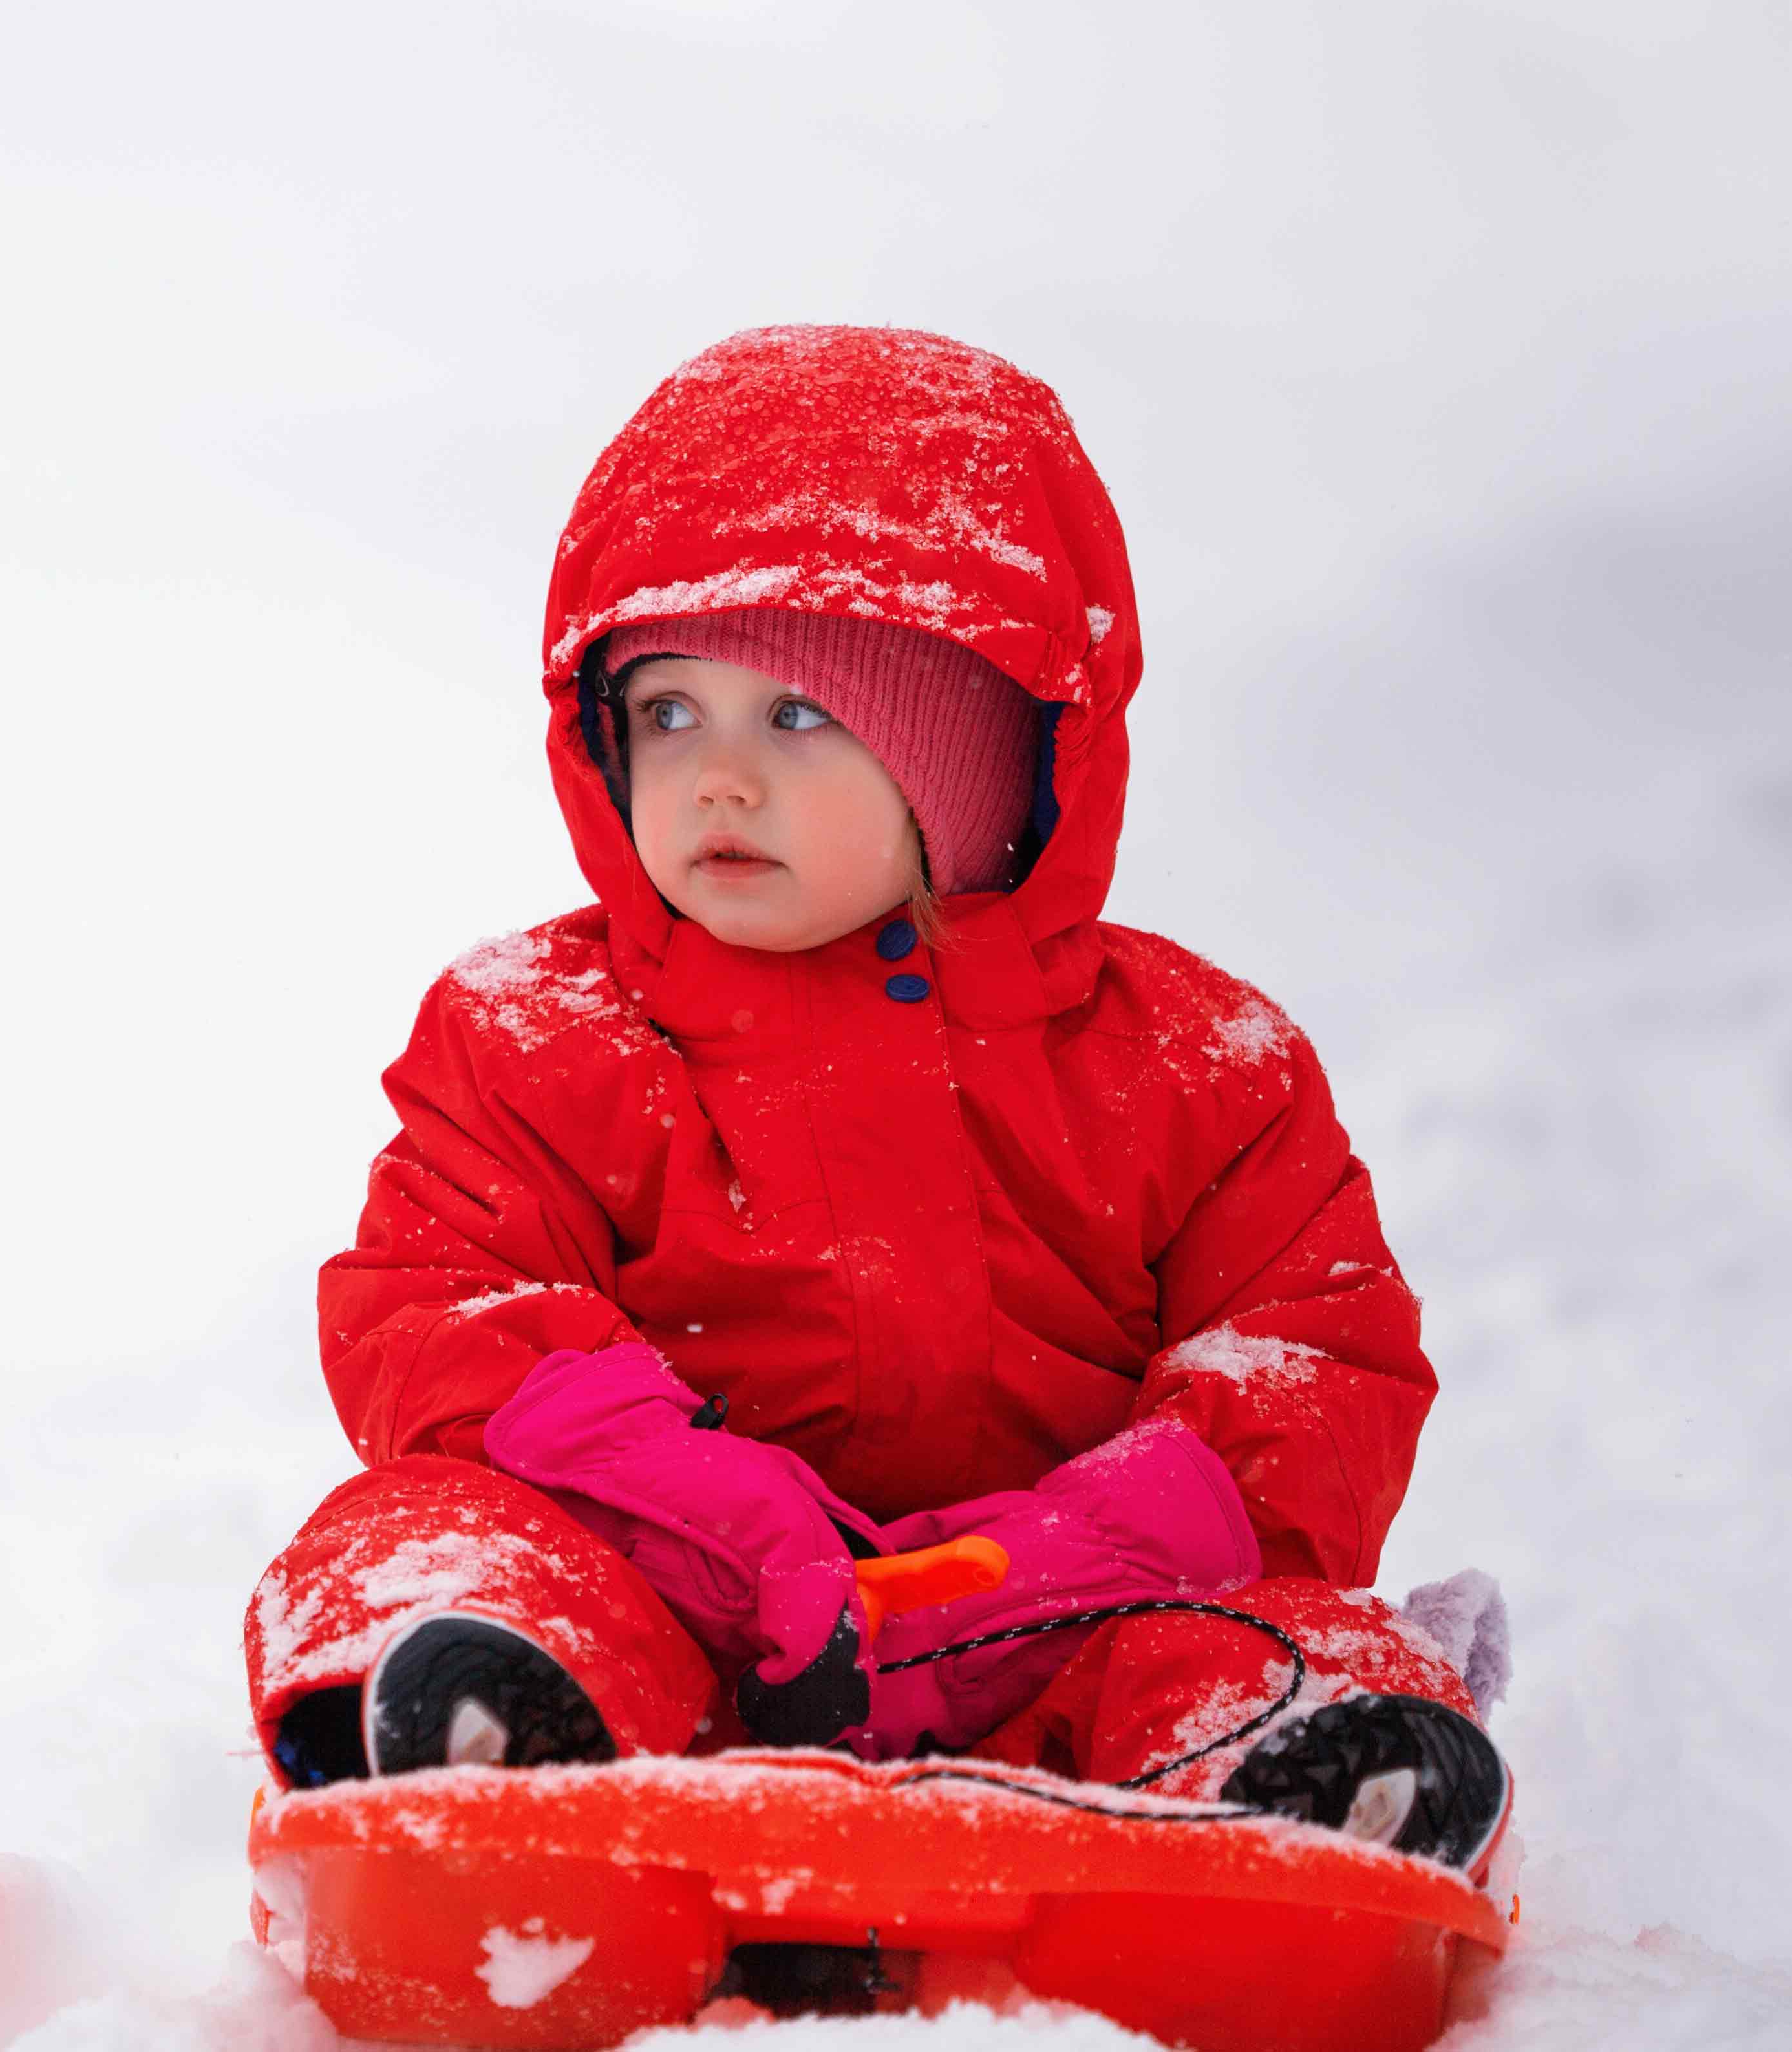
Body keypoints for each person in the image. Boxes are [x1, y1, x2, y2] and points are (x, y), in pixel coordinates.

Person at [244, 326, 1509, 1876]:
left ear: (985, 758)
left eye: (795, 716)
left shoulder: (1198, 1064)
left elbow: (1311, 1360)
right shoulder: (534, 1035)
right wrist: (706, 1510)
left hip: (1075, 1628)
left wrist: (1061, 1552)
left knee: (1273, 1629)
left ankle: (1290, 1786)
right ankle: (485, 1738)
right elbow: (444, 1309)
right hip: (680, 1618)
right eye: (665, 713)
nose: (715, 778)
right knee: (415, 1541)